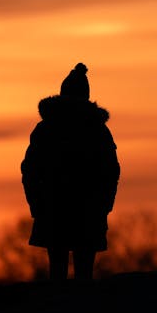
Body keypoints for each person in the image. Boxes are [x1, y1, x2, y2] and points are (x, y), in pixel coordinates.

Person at [20, 63, 120, 280]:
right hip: (84, 209)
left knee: (58, 273)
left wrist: (36, 204)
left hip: (56, 207)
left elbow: (30, 171)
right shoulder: (97, 130)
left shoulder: (47, 128)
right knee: (83, 275)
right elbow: (110, 172)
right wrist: (104, 205)